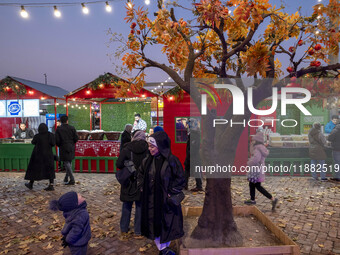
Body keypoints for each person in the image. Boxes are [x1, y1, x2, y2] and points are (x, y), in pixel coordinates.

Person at [138, 131, 185, 255]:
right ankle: (163, 249)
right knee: (154, 225)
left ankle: (164, 248)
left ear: (160, 146)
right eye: (149, 146)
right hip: (151, 201)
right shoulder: (147, 161)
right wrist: (142, 187)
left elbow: (180, 178)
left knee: (167, 224)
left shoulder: (172, 160)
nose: (150, 149)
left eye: (152, 146)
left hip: (166, 201)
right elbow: (140, 175)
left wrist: (171, 192)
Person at [116, 130, 148, 240]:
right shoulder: (147, 149)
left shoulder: (127, 148)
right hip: (142, 181)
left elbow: (119, 164)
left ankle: (124, 228)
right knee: (140, 206)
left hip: (128, 180)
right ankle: (138, 231)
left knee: (127, 204)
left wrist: (129, 165)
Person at [244, 132, 278, 211]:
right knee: (252, 184)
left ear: (256, 140)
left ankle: (272, 198)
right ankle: (252, 200)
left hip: (256, 169)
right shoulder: (261, 147)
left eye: (254, 140)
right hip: (259, 168)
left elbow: (256, 159)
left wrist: (249, 163)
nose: (253, 141)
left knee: (257, 186)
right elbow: (252, 152)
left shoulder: (257, 149)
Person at [24, 123, 56, 191]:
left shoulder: (37, 136)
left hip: (37, 155)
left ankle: (31, 184)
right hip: (48, 155)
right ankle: (51, 185)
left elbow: (33, 142)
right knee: (50, 169)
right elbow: (53, 143)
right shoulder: (50, 135)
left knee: (34, 169)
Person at [55, 115, 79, 185]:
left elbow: (57, 140)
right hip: (71, 146)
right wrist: (72, 143)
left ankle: (72, 179)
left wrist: (60, 145)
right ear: (67, 120)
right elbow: (76, 138)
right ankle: (66, 177)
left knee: (66, 162)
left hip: (63, 147)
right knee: (69, 161)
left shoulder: (59, 129)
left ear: (61, 121)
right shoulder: (72, 128)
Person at [184, 118, 203, 192]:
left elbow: (193, 147)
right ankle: (197, 185)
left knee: (189, 170)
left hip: (193, 157)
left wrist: (189, 157)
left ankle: (198, 186)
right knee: (190, 170)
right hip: (193, 156)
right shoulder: (195, 133)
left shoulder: (193, 134)